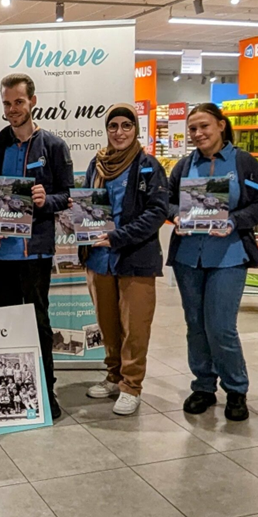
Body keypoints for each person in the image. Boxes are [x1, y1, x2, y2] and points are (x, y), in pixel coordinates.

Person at [0, 73, 74, 419]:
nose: (12, 109)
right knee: (5, 322)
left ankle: (45, 391)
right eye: (7, 103)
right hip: (1, 251)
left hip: (36, 251)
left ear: (32, 101)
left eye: (18, 102)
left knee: (38, 322)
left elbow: (68, 195)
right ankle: (10, 395)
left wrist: (47, 200)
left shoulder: (53, 146)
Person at [167, 103, 258, 422]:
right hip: (188, 258)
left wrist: (235, 220)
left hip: (229, 256)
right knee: (195, 325)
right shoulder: (184, 166)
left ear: (221, 125)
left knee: (221, 327)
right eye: (193, 129)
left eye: (204, 126)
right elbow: (166, 201)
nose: (198, 133)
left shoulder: (244, 164)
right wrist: (175, 216)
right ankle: (203, 386)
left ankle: (236, 389)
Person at [79, 104, 169, 416]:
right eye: (113, 126)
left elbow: (157, 212)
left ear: (135, 129)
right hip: (100, 259)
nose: (119, 132)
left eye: (126, 126)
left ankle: (131, 385)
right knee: (108, 324)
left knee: (135, 326)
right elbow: (87, 204)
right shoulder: (97, 164)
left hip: (135, 257)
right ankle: (113, 375)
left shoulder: (148, 165)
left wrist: (119, 236)